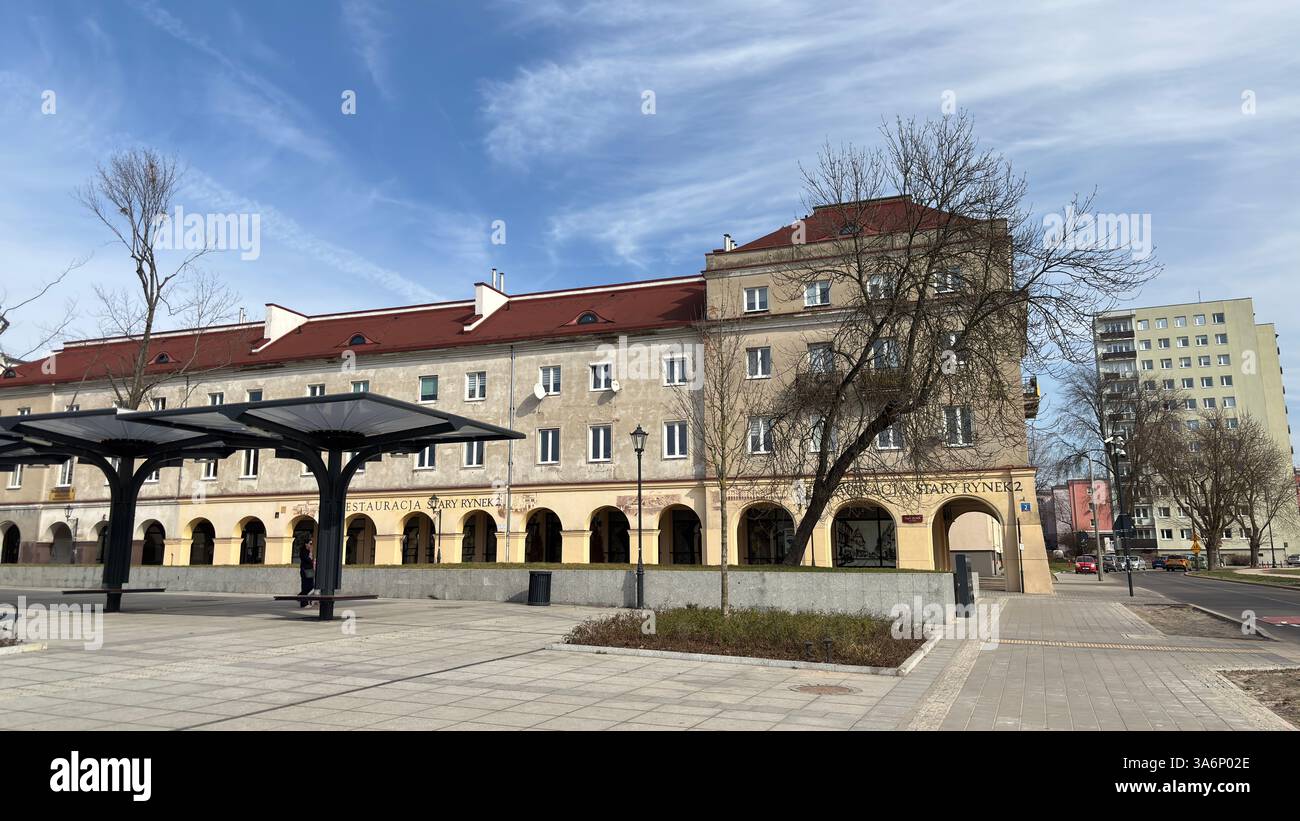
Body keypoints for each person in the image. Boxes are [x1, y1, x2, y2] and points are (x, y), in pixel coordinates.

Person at [298, 538, 316, 608]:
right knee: (305, 587)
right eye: (310, 543)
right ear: (306, 544)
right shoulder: (303, 551)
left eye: (312, 544)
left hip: (310, 570)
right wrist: (311, 554)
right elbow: (308, 560)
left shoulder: (308, 551)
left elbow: (310, 560)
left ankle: (300, 597)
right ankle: (303, 603)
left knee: (311, 586)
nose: (311, 545)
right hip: (305, 571)